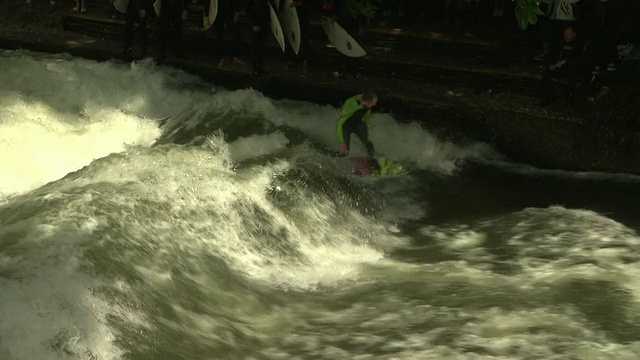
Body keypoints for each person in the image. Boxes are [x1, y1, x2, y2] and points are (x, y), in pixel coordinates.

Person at [541, 24, 587, 104]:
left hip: (572, 69)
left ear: (573, 34)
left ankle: (570, 96)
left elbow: (579, 59)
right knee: (546, 72)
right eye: (565, 34)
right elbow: (555, 55)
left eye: (568, 34)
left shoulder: (578, 44)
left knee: (573, 72)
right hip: (561, 68)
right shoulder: (561, 43)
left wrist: (565, 61)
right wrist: (552, 64)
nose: (566, 36)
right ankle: (547, 97)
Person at [335, 92, 378, 157]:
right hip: (346, 127)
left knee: (367, 143)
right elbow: (339, 122)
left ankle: (374, 158)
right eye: (373, 103)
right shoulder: (350, 104)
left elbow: (367, 113)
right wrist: (341, 142)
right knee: (345, 150)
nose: (374, 104)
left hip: (358, 124)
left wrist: (366, 125)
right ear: (367, 102)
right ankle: (335, 159)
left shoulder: (366, 99)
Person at [213, 0, 246, 68]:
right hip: (217, 11)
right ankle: (221, 58)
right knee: (219, 35)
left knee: (236, 34)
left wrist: (236, 12)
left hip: (230, 10)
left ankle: (235, 56)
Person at [281, 0, 310, 76]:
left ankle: (304, 63)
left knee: (303, 37)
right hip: (289, 10)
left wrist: (300, 3)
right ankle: (290, 59)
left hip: (301, 12)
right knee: (289, 35)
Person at [248, 0, 270, 75]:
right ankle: (255, 68)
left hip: (264, 21)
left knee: (261, 46)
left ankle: (260, 66)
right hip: (256, 22)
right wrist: (254, 23)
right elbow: (248, 8)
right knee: (255, 46)